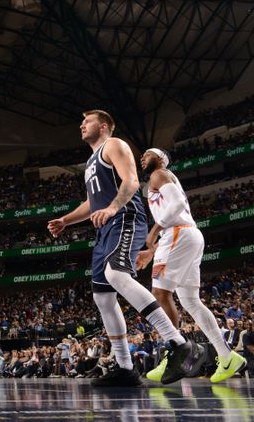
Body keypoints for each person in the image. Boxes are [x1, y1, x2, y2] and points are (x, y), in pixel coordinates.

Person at [47, 110, 204, 386]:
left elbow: (131, 181)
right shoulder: (91, 161)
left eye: (88, 120)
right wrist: (66, 221)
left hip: (125, 217)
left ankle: (179, 342)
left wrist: (113, 207)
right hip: (106, 224)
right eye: (81, 120)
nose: (81, 124)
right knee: (103, 297)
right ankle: (124, 367)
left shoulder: (114, 145)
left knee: (117, 275)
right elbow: (91, 204)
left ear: (104, 125)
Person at [136, 148, 247, 383]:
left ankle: (176, 351)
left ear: (160, 158)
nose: (142, 157)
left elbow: (175, 204)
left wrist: (155, 230)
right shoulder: (161, 178)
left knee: (160, 293)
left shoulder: (159, 174)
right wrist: (152, 251)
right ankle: (228, 357)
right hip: (187, 234)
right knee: (190, 301)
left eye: (147, 154)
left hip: (176, 233)